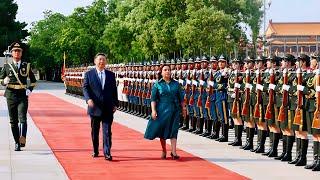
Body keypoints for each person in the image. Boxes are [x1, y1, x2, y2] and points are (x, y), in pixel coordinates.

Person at [144, 64, 186, 160]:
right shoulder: (157, 84)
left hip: (175, 109)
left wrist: (184, 109)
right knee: (163, 131)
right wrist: (153, 111)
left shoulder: (176, 84)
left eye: (168, 70)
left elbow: (181, 98)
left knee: (174, 130)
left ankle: (174, 152)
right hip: (162, 109)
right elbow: (153, 99)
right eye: (165, 70)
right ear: (161, 72)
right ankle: (164, 150)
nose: (167, 71)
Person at [0, 42, 37, 151]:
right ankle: (17, 142)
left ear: (21, 53)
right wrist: (3, 82)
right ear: (11, 53)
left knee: (23, 118)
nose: (17, 52)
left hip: (22, 95)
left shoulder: (27, 65)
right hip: (11, 94)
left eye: (19, 51)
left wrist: (29, 89)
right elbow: (1, 80)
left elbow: (34, 81)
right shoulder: (6, 66)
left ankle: (22, 138)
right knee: (13, 120)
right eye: (15, 51)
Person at [83, 53, 118, 161]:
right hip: (95, 107)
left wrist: (115, 104)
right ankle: (95, 150)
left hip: (108, 107)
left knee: (107, 131)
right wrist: (88, 99)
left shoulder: (111, 75)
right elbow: (85, 88)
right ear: (95, 61)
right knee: (95, 131)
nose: (102, 62)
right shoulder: (89, 74)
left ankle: (107, 152)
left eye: (104, 60)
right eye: (100, 59)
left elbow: (114, 90)